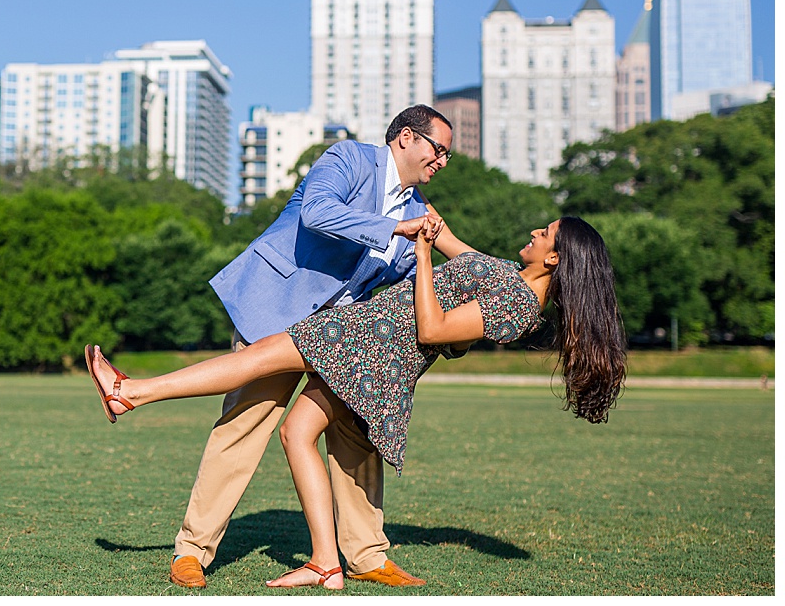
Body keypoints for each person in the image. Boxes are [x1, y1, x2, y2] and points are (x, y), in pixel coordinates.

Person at [87, 214, 627, 589]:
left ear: (557, 257)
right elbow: (457, 250)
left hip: (373, 345)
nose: (534, 231)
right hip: (370, 340)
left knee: (260, 359)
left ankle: (131, 392)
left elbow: (434, 328)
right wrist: (415, 206)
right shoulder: (509, 276)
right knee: (295, 431)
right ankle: (326, 563)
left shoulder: (519, 306)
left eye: (546, 232)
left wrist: (417, 251)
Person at [157, 104, 455, 589]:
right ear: (406, 137)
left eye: (448, 156)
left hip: (340, 332)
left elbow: (410, 276)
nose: (442, 162)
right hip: (278, 309)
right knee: (243, 426)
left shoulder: (422, 212)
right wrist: (392, 228)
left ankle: (367, 555)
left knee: (356, 436)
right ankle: (192, 550)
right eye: (438, 149)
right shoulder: (349, 159)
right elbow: (317, 213)